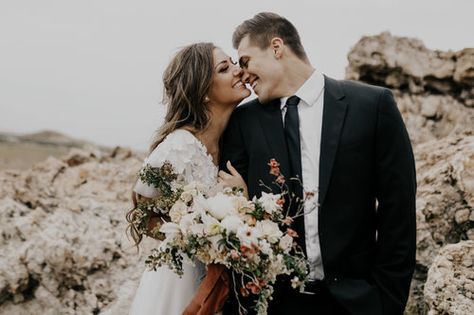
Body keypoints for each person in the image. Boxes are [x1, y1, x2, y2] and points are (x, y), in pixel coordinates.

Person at [220, 12, 417, 315]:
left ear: (276, 47)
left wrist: (386, 301)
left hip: (356, 303)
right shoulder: (244, 122)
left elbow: (398, 209)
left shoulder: (372, 105)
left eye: (245, 61)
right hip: (273, 305)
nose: (242, 74)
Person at [127, 42, 251, 315]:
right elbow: (142, 215)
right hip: (179, 282)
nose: (238, 70)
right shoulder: (178, 146)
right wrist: (195, 239)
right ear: (203, 91)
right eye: (224, 68)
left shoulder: (232, 141)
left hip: (220, 283)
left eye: (233, 62)